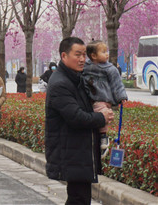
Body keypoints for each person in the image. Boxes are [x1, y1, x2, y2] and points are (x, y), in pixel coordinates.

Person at [45, 37, 115, 205]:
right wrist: (101, 117)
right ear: (64, 56)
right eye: (77, 55)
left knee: (79, 199)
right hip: (71, 153)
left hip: (78, 152)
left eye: (84, 55)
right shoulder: (60, 84)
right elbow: (76, 117)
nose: (83, 59)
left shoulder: (77, 79)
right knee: (79, 199)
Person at [83, 40, 128, 153]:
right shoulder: (85, 67)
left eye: (106, 51)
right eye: (103, 52)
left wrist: (121, 97)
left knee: (101, 113)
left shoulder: (110, 69)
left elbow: (117, 84)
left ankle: (103, 137)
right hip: (90, 97)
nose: (107, 54)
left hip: (102, 98)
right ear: (93, 55)